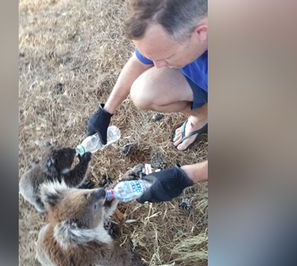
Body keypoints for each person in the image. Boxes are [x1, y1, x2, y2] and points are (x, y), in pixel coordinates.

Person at [87, 0, 208, 202]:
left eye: (165, 56)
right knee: (145, 91)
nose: (157, 66)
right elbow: (138, 61)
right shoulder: (166, 17)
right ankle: (202, 118)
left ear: (201, 33)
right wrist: (106, 111)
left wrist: (187, 176)